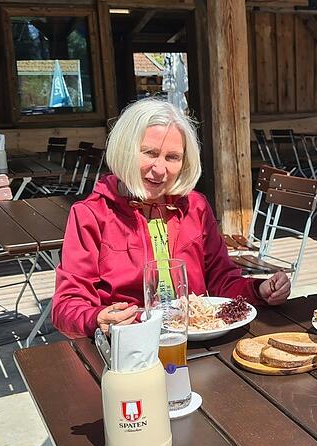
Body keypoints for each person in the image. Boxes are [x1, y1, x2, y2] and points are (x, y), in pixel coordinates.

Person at [52, 98, 291, 338]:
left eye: (172, 157)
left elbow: (222, 280)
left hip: (193, 339)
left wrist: (259, 290)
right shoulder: (91, 214)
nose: (159, 169)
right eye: (149, 153)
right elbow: (66, 306)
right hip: (130, 342)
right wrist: (96, 319)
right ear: (124, 150)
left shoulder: (195, 206)